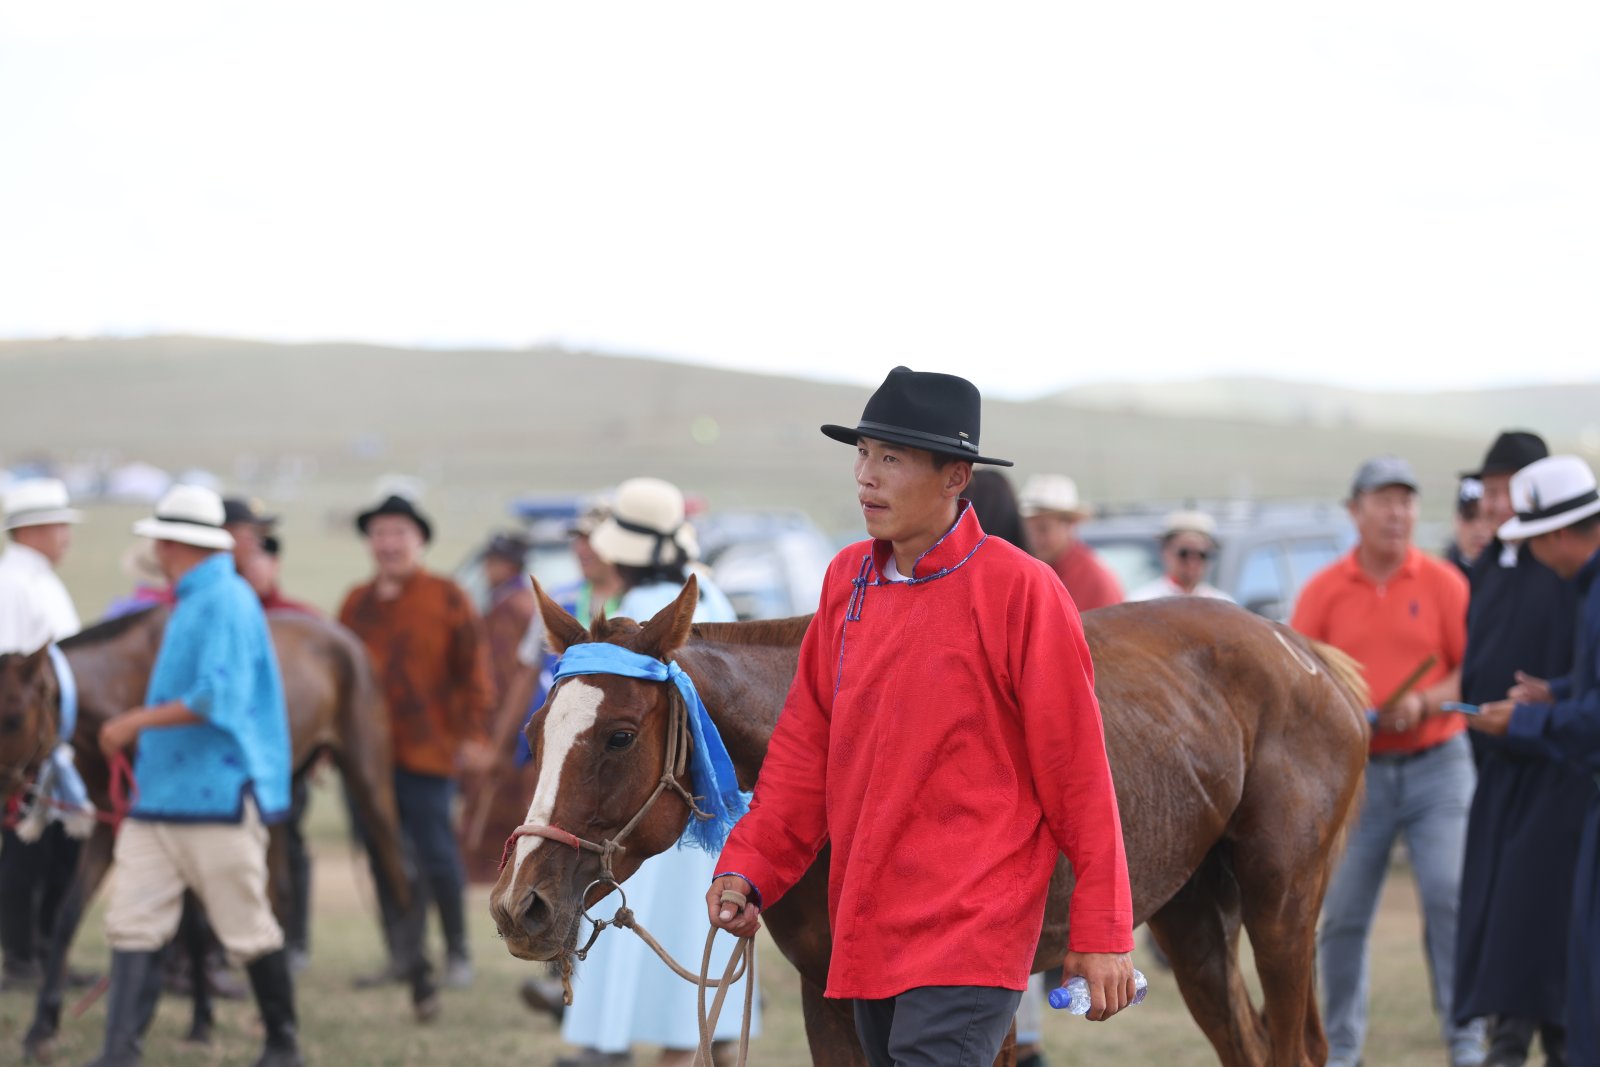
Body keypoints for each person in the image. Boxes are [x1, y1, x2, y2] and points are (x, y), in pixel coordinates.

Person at [708, 367, 1135, 1066]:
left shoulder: (1021, 589)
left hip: (971, 929)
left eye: (892, 458)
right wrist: (749, 866)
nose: (866, 477)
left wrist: (1104, 928)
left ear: (955, 476)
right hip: (868, 921)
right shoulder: (847, 579)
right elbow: (804, 749)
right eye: (863, 453)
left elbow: (1077, 771)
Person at [89, 484, 300, 1066]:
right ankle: (118, 1054)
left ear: (172, 541)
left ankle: (284, 1045)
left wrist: (134, 722)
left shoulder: (226, 599)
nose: (153, 543)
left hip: (218, 795)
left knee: (245, 927)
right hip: (162, 796)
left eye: (159, 534)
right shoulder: (195, 599)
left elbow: (219, 697)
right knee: (132, 920)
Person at [555, 477, 758, 1067]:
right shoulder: (708, 596)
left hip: (646, 807)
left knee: (647, 934)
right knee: (691, 944)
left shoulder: (641, 615)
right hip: (705, 809)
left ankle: (615, 1041)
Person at [1291, 455, 1484, 1067]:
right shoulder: (1323, 590)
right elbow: (1300, 675)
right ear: (1355, 511)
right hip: (1358, 774)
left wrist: (1427, 699)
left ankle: (1466, 1040)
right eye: (1383, 500)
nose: (1397, 513)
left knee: (1452, 897)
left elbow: (1469, 666)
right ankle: (1341, 1048)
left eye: (1406, 500)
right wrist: (1349, 707)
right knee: (1343, 914)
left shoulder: (1446, 582)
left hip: (1438, 763)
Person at [1452, 431, 1588, 1067]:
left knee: (1551, 943)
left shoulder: (1579, 585)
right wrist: (1550, 697)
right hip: (1507, 777)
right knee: (1513, 935)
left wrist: (1534, 720)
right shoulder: (1490, 568)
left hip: (1563, 781)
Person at [338, 494, 494, 991]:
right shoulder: (354, 604)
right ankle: (403, 955)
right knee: (382, 853)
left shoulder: (447, 596)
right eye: (380, 534)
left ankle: (456, 953)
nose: (388, 544)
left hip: (429, 752)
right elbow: (335, 683)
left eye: (399, 533)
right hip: (364, 758)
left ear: (419, 540)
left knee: (435, 853)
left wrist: (474, 734)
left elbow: (476, 672)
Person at [0, 478, 84, 992]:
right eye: (59, 526)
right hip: (28, 742)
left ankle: (47, 952)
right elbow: (11, 671)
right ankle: (20, 956)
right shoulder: (12, 581)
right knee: (24, 848)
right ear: (33, 529)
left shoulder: (39, 579)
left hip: (53, 739)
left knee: (54, 848)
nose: (66, 537)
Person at [459, 532, 535, 884]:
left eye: (493, 562)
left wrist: (494, 721)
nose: (488, 569)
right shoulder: (522, 601)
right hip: (517, 716)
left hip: (506, 717)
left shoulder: (509, 607)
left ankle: (490, 869)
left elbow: (504, 672)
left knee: (496, 795)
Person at [1017, 473, 1123, 610]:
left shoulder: (1093, 579)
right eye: (1027, 530)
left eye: (1043, 529)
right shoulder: (1029, 570)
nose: (1034, 539)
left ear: (1069, 526)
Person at [1126, 510, 1234, 603]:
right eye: (1184, 553)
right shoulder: (1142, 602)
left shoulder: (1222, 604)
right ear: (1165, 552)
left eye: (1202, 555)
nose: (1192, 562)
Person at [1448, 477, 1493, 576]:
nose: (1479, 526)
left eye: (1488, 516)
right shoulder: (1440, 579)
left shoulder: (1516, 575)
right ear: (1456, 521)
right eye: (1469, 515)